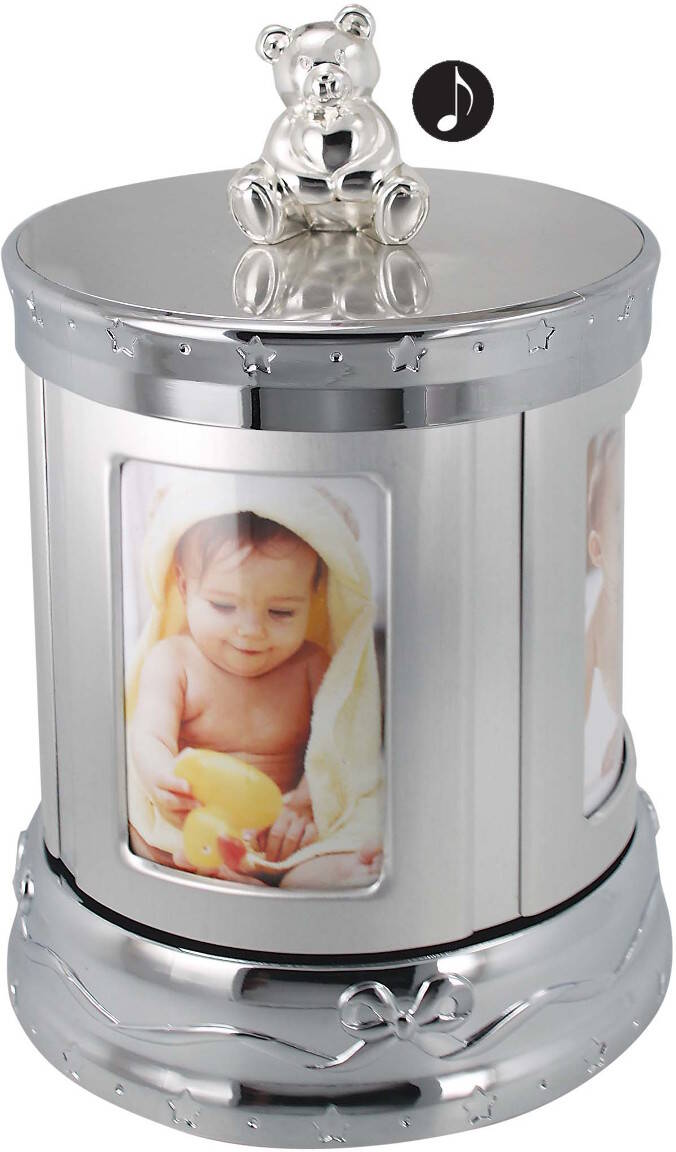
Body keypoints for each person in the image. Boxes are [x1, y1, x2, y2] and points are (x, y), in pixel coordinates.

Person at [129, 505, 382, 888]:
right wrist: (161, 777)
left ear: (315, 596)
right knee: (141, 838)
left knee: (338, 850)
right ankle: (219, 875)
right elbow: (148, 733)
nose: (250, 630)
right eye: (224, 606)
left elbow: (341, 747)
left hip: (286, 834)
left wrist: (305, 805)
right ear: (183, 588)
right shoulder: (175, 660)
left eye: (280, 612)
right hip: (195, 824)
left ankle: (296, 880)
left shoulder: (312, 665)